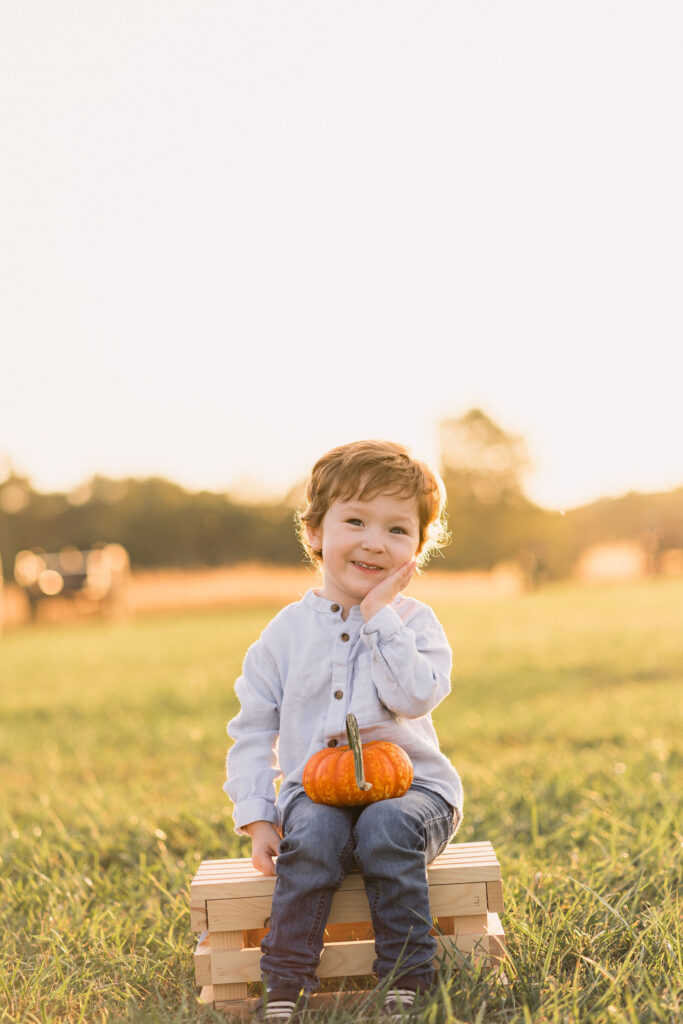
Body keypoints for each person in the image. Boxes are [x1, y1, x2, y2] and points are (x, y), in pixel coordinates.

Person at [225, 440, 463, 1022]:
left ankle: (407, 976)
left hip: (415, 794)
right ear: (315, 532)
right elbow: (253, 729)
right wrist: (258, 815)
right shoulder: (282, 636)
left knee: (385, 822)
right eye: (355, 520)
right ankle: (286, 981)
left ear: (417, 549)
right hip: (319, 791)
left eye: (397, 529)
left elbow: (413, 694)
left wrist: (379, 614)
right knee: (311, 834)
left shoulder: (415, 623)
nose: (375, 541)